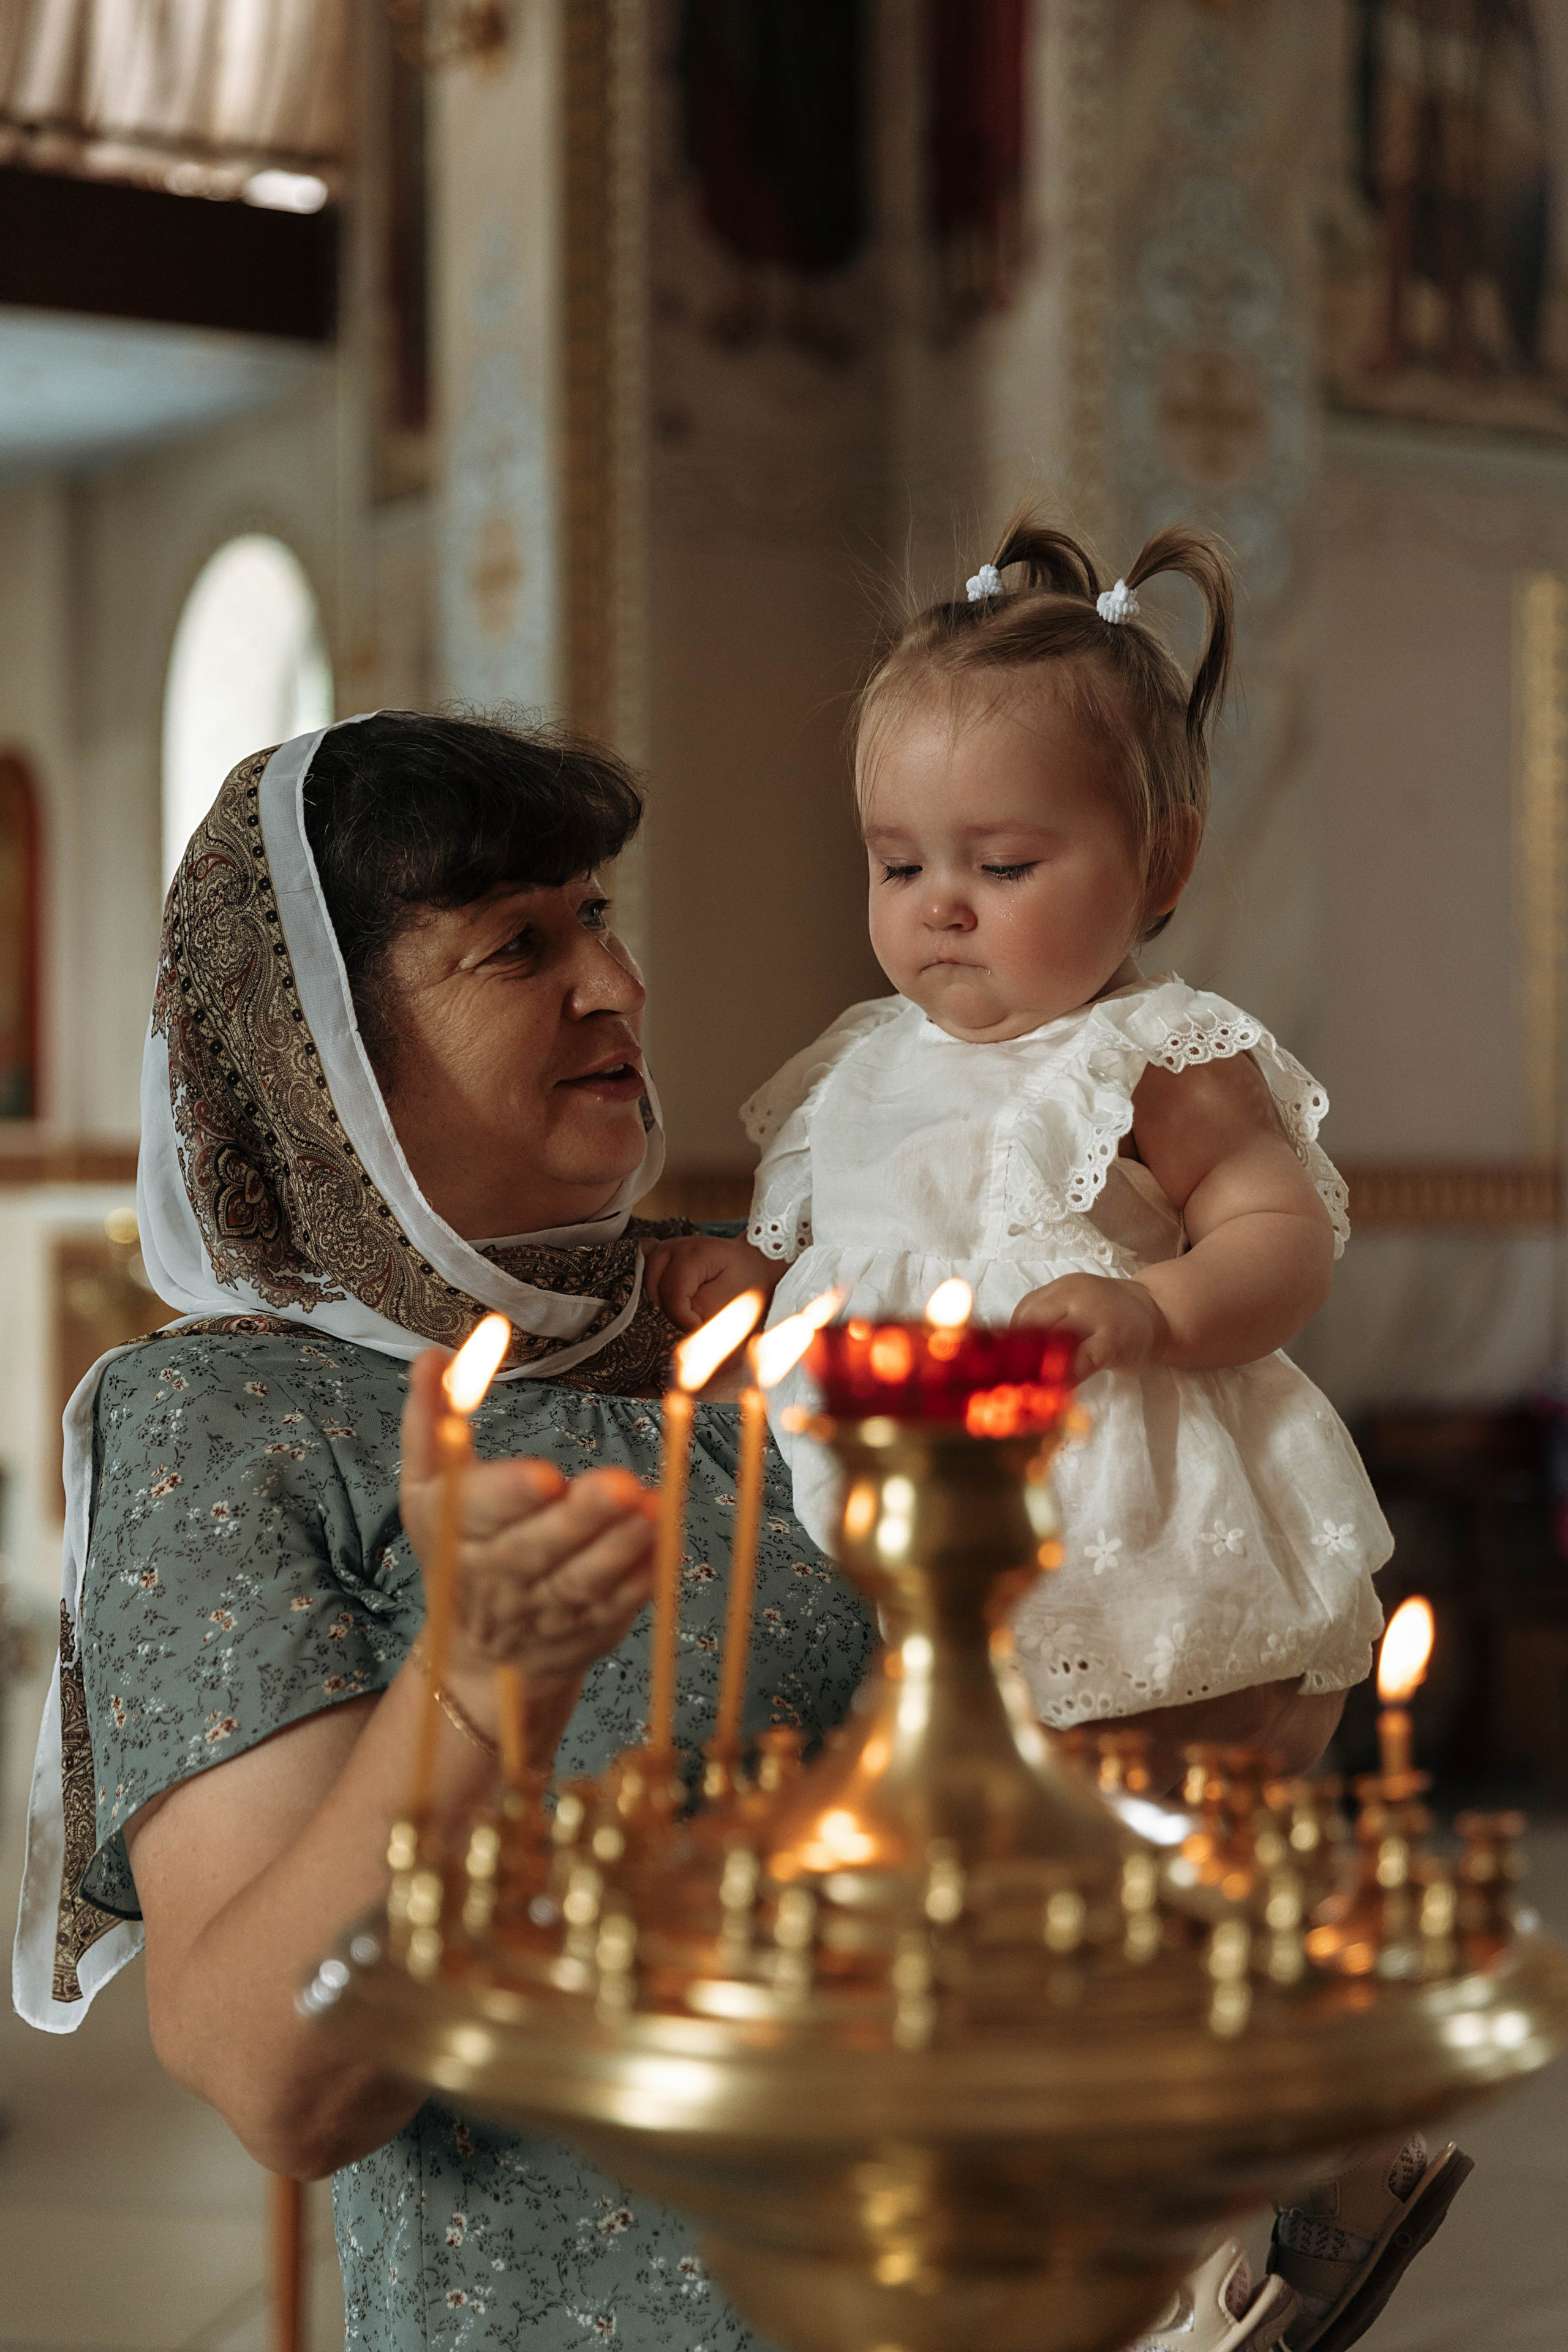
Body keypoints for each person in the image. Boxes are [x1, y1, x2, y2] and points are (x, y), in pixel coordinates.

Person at [644, 519, 1471, 2350]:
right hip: (943, 1585)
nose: (942, 903)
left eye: (1005, 862)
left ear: (1159, 861)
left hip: (1154, 1554)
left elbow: (1283, 1227)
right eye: (900, 861)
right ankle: (1291, 2177)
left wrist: (1159, 1309)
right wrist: (741, 1281)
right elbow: (826, 1260)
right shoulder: (860, 1068)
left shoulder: (1158, 1051)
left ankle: (1214, 2266)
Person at [13, 711, 875, 2350]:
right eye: (515, 946)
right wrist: (474, 1692)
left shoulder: (763, 1314)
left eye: (601, 917)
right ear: (323, 1051)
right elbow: (283, 2080)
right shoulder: (236, 1424)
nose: (613, 985)